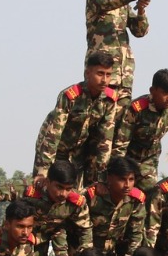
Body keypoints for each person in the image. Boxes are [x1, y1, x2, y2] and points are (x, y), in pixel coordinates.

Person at [84, 0, 168, 99]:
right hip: (102, 75)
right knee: (100, 119)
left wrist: (141, 11)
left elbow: (140, 31)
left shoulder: (124, 6)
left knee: (121, 119)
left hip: (123, 76)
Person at [0, 163, 94, 256]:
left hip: (40, 245)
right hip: (12, 242)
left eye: (68, 189)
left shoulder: (75, 202)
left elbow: (85, 229)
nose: (63, 194)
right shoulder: (28, 189)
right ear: (48, 182)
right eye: (59, 187)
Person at [33, 50, 124, 187]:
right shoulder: (71, 96)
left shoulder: (110, 100)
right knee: (44, 188)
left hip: (78, 151)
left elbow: (105, 139)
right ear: (88, 73)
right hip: (54, 147)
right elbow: (53, 134)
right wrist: (43, 169)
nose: (104, 79)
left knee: (72, 193)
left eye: (108, 75)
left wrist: (101, 177)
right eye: (100, 74)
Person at [114, 68, 168, 186]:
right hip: (128, 158)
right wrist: (118, 171)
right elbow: (120, 144)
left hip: (149, 160)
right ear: (152, 91)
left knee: (150, 193)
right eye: (165, 93)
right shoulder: (136, 109)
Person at [84, 157, 148, 256]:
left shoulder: (136, 200)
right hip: (83, 254)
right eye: (122, 179)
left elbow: (136, 234)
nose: (127, 185)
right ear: (109, 178)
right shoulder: (92, 196)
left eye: (131, 179)